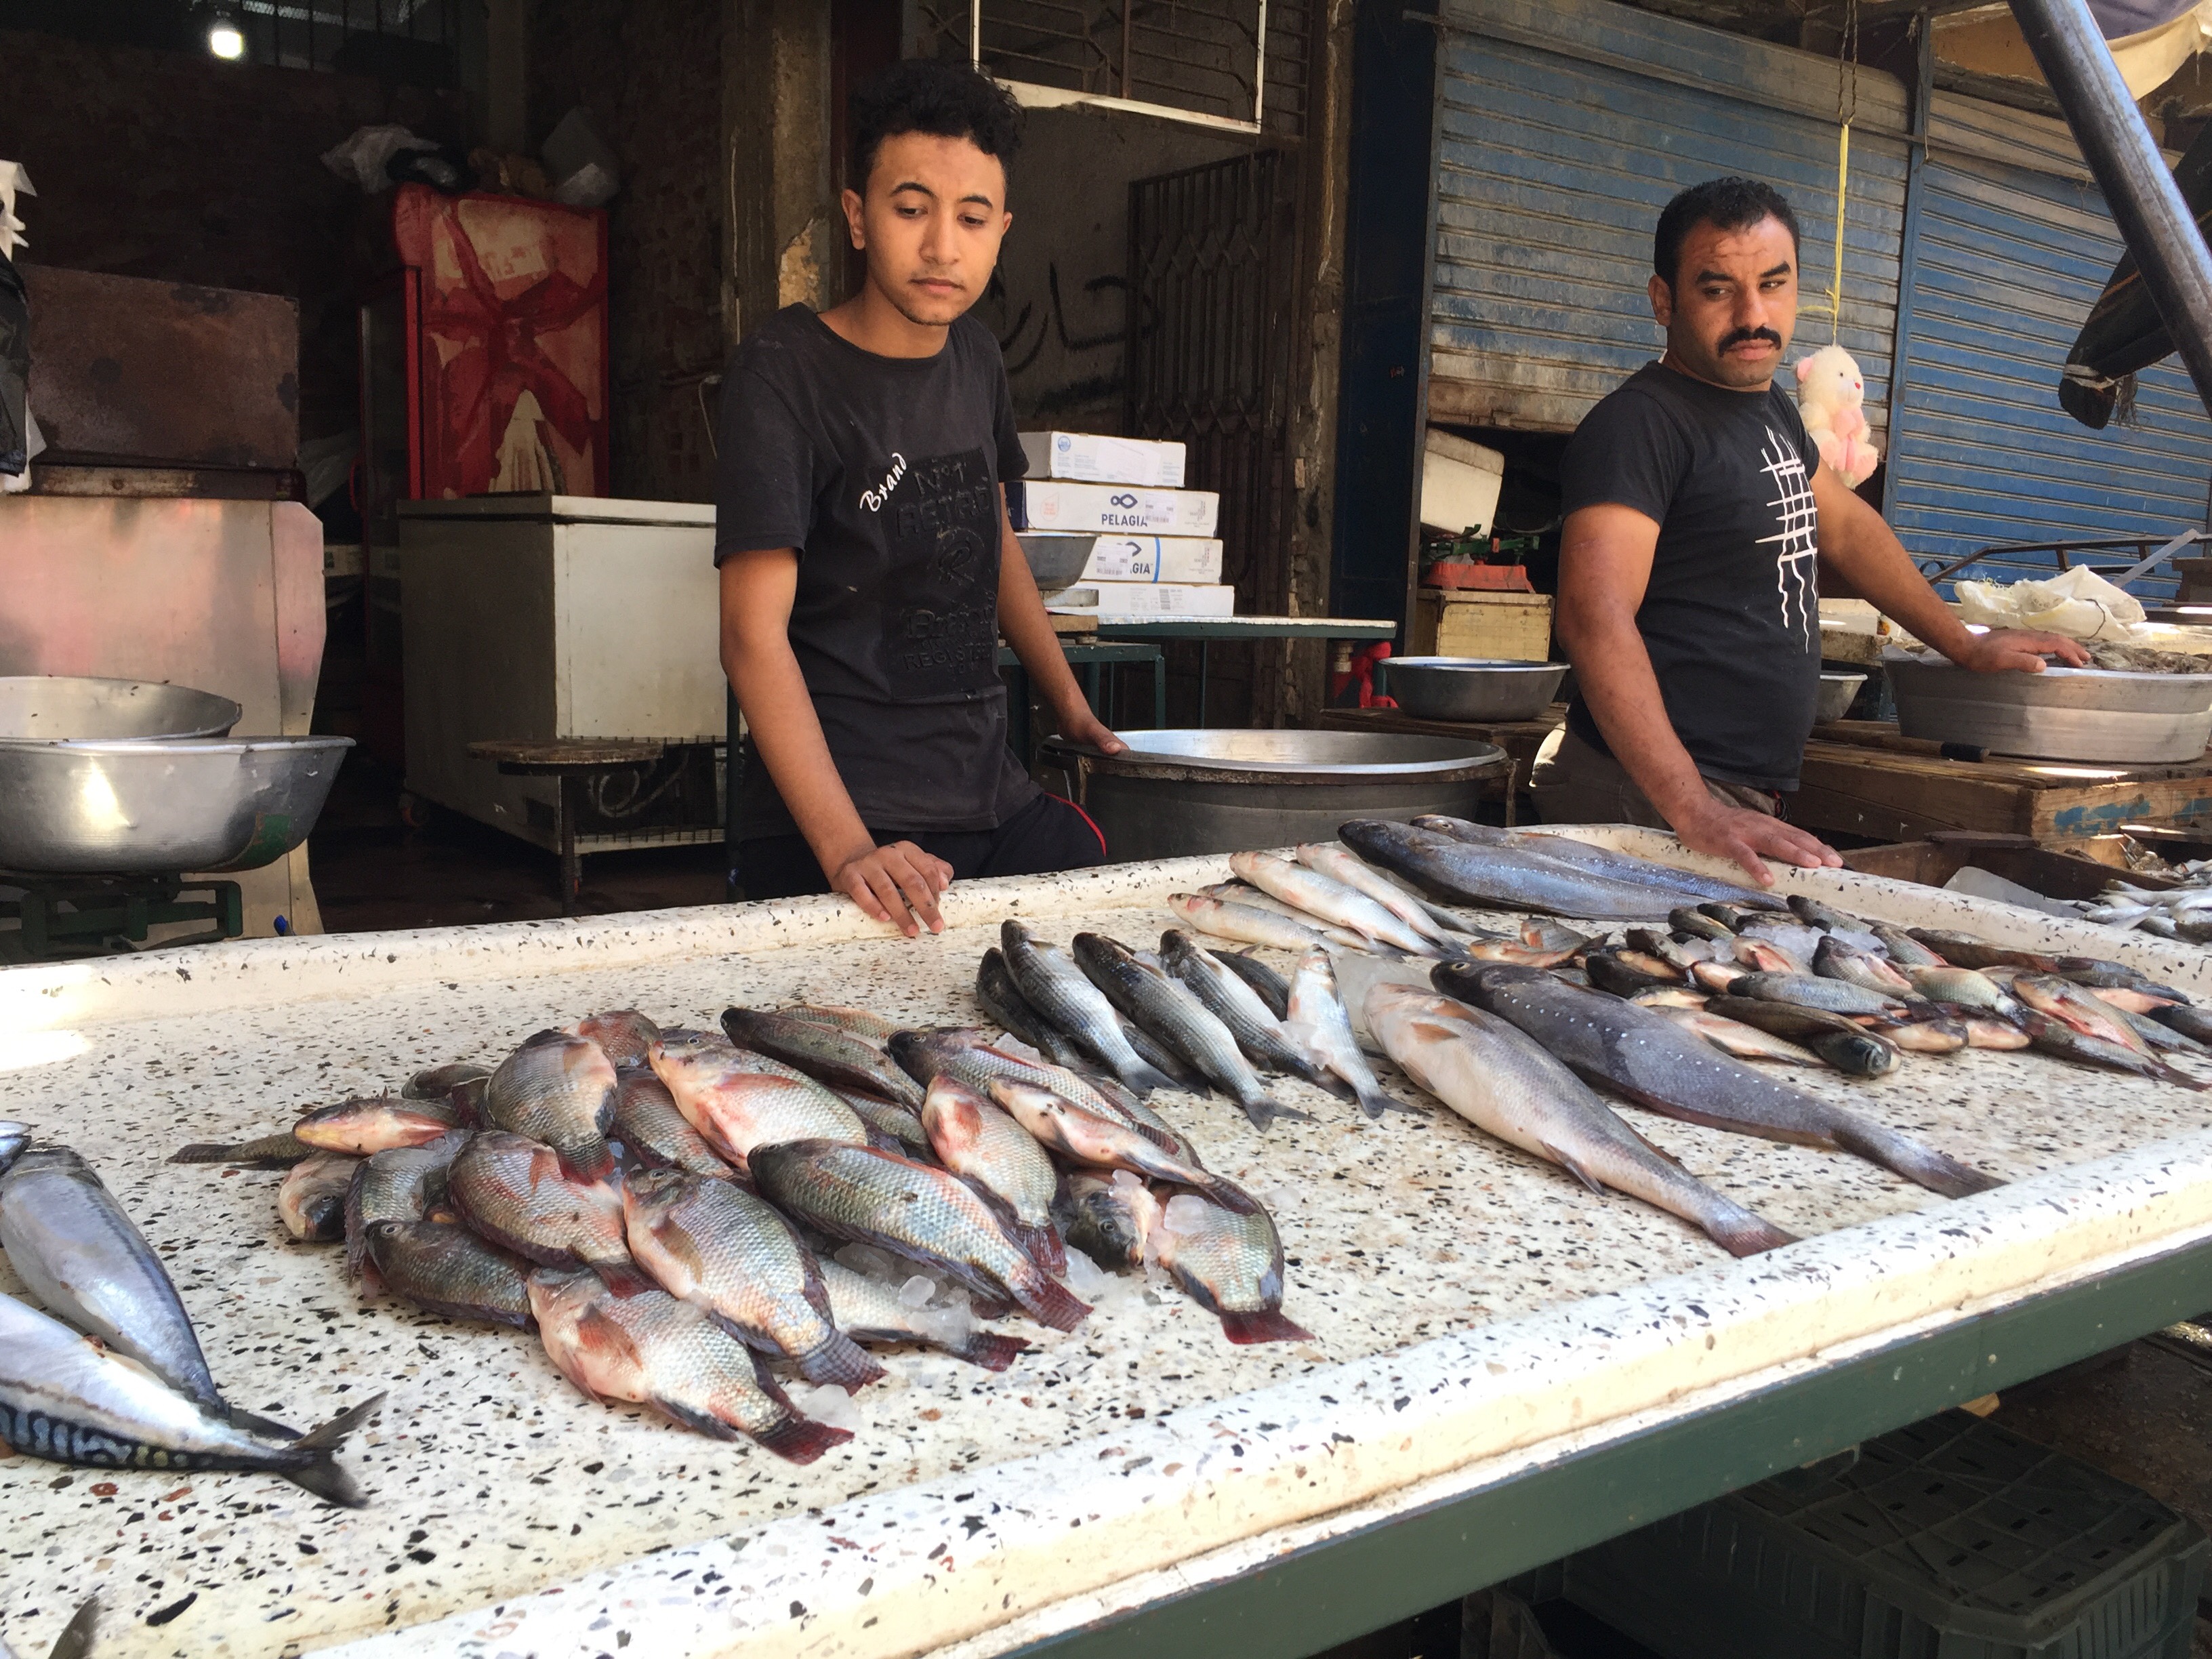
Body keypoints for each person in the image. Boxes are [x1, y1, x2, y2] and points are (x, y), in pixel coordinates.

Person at [1532, 176, 2086, 883]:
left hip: (1717, 794)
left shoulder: (1770, 412)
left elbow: (1849, 529)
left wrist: (1963, 644)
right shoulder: (1641, 426)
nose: (1752, 314)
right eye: (1717, 289)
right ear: (1663, 299)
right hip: (1647, 797)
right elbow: (1593, 616)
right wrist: (1692, 806)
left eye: (1773, 283)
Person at [714, 60, 1125, 936]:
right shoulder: (784, 373)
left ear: (1002, 230)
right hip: (837, 808)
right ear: (859, 217)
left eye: (972, 218)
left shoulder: (976, 359)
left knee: (1106, 914)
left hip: (986, 792)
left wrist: (1072, 706)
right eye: (911, 209)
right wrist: (848, 850)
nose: (943, 246)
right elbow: (750, 638)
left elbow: (996, 538)